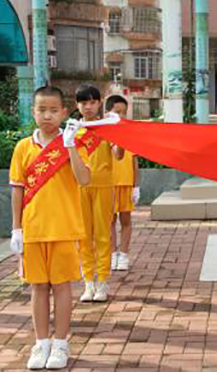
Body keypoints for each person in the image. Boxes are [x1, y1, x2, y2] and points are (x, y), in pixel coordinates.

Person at [9, 86, 90, 369]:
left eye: (54, 110)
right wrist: (15, 229)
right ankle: (41, 342)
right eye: (42, 110)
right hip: (33, 230)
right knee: (38, 288)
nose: (47, 115)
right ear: (33, 112)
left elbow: (84, 179)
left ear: (64, 113)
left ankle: (60, 343)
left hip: (64, 228)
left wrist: (70, 146)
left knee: (62, 287)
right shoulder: (23, 147)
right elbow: (17, 190)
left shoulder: (72, 144)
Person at [76, 84, 123, 302]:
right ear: (77, 105)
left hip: (104, 186)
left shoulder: (107, 127)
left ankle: (102, 281)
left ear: (99, 103)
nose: (88, 106)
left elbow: (119, 155)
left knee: (103, 234)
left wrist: (121, 135)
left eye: (92, 102)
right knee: (83, 236)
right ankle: (88, 282)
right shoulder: (73, 130)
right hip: (79, 188)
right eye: (83, 102)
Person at [105, 95, 140, 271]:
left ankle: (124, 255)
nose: (121, 116)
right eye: (117, 112)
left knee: (125, 220)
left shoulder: (129, 133)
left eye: (124, 112)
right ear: (107, 112)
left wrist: (136, 186)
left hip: (126, 183)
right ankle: (112, 255)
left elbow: (134, 163)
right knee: (110, 221)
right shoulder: (103, 133)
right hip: (108, 184)